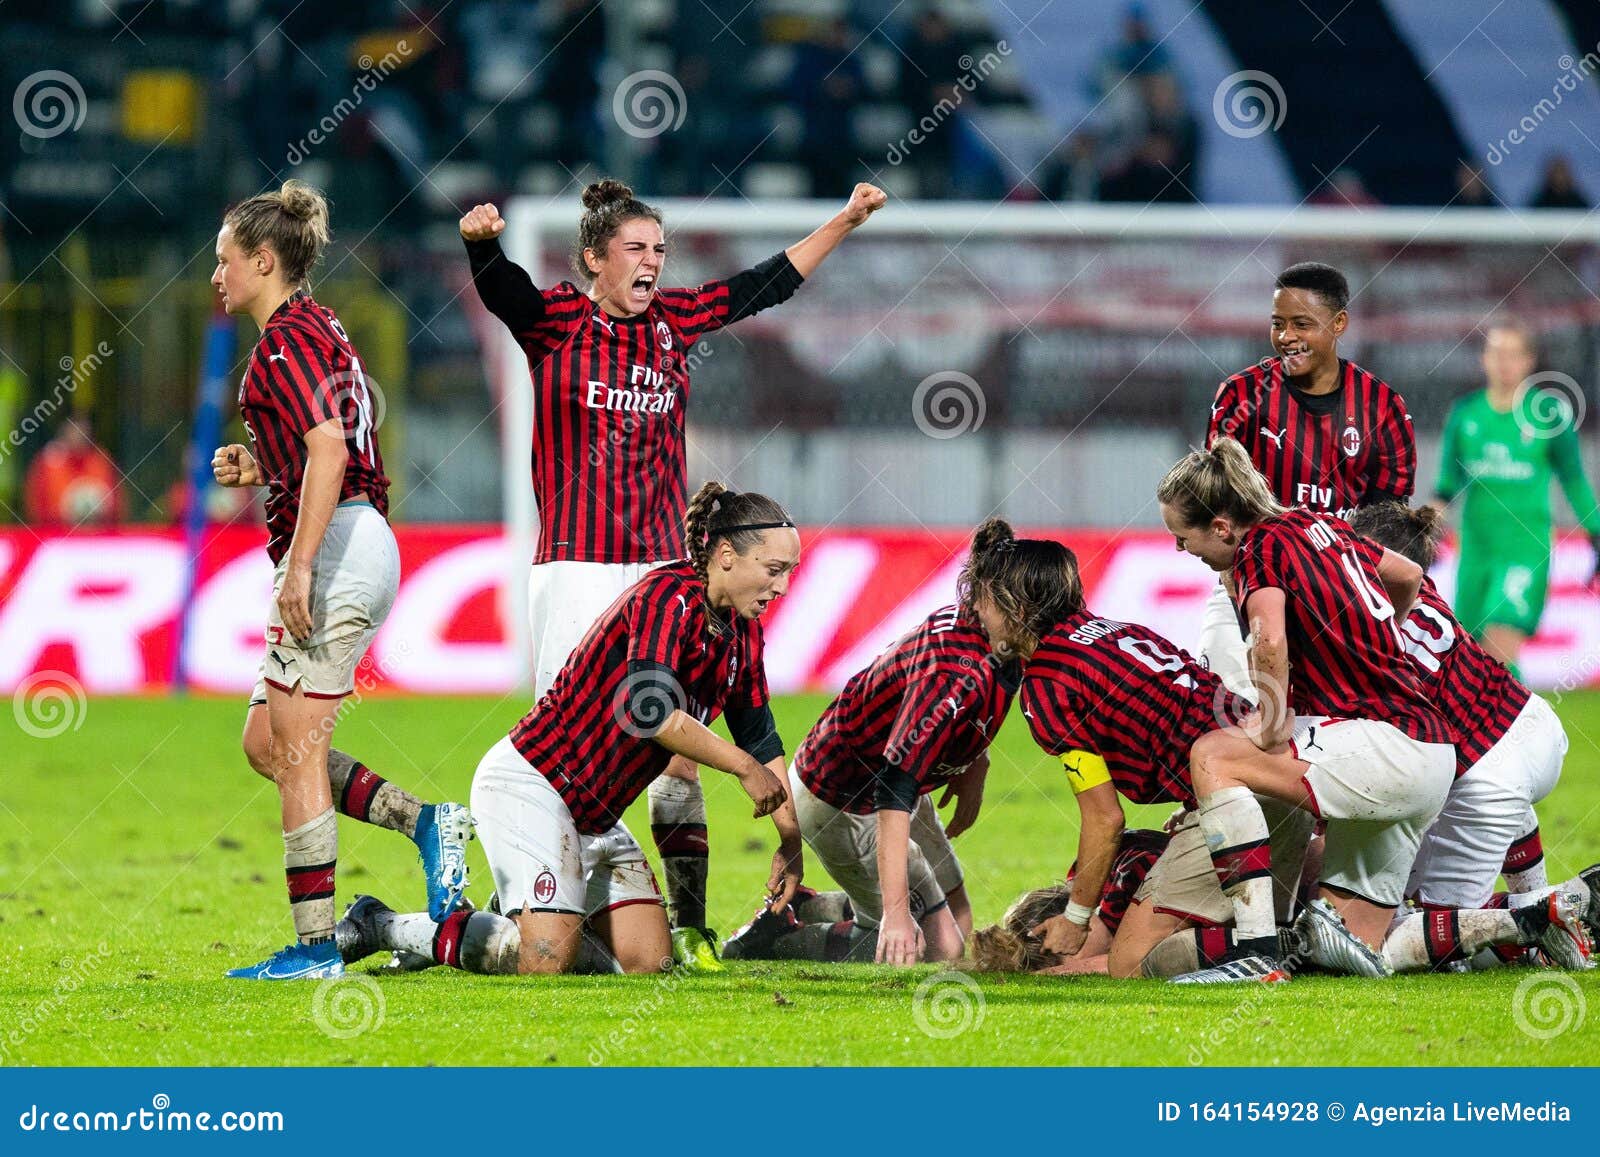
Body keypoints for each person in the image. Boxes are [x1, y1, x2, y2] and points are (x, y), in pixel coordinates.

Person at [461, 177, 885, 970]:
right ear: (594, 257)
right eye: (636, 249)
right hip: (577, 566)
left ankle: (686, 924)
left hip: (661, 564)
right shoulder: (556, 321)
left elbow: (766, 283)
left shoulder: (674, 323)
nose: (652, 262)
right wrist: (482, 245)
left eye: (660, 249)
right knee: (576, 750)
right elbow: (505, 293)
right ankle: (530, 893)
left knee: (675, 748)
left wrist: (845, 218)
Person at [336, 483, 805, 976]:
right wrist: (743, 769)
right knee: (547, 960)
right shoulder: (667, 599)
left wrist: (790, 841)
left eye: (788, 573)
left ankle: (492, 924)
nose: (781, 588)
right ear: (727, 556)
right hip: (534, 786)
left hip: (598, 819)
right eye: (774, 571)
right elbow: (649, 713)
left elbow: (760, 735)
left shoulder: (742, 633)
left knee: (650, 964)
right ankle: (382, 923)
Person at [210, 180, 472, 981]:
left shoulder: (281, 347)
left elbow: (328, 449)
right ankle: (426, 823)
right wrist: (264, 467)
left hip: (340, 547)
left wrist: (299, 563)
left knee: (296, 750)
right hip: (361, 535)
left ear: (263, 260)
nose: (215, 276)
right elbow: (330, 444)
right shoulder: (322, 326)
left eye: (224, 261)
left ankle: (316, 946)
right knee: (269, 740)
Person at [1156, 438, 1459, 979]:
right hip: (1433, 751)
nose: (1186, 552)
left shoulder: (1260, 551)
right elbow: (1409, 576)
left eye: (1185, 539)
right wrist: (1379, 639)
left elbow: (1268, 640)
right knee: (1346, 947)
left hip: (1384, 746)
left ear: (1222, 528)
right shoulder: (1318, 522)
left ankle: (1253, 952)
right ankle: (1524, 919)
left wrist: (1272, 727)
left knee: (1214, 756)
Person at [982, 524, 1312, 982]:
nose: (977, 610)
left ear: (1013, 606)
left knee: (1131, 962)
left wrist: (1077, 919)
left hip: (1234, 801)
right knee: (1231, 912)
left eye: (983, 598)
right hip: (1281, 782)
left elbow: (1105, 819)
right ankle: (1282, 932)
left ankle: (1292, 944)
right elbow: (1188, 719)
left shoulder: (1048, 683)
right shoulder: (1118, 631)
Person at [724, 523, 1020, 967]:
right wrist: (897, 916)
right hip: (845, 799)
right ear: (991, 599)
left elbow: (969, 711)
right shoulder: (948, 666)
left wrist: (973, 767)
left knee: (957, 916)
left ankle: (805, 906)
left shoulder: (995, 637)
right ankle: (778, 940)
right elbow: (892, 788)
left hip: (891, 783)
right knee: (935, 948)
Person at [1349, 502, 1600, 948]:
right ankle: (1541, 901)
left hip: (1488, 776)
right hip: (1534, 723)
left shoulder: (1365, 629)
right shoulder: (1421, 589)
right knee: (1403, 891)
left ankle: (1559, 909)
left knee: (1407, 940)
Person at [1200, 261, 1415, 696]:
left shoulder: (1382, 408)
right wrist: (1237, 588)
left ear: (1339, 324)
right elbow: (1218, 508)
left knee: (1333, 732)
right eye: (1277, 324)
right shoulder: (1241, 398)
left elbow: (1388, 527)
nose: (1286, 337)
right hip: (1254, 587)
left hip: (1339, 600)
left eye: (1302, 324)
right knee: (1222, 713)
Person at [1432, 317, 1600, 675]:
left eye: (1512, 354)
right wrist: (1422, 527)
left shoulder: (1550, 414)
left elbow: (1573, 479)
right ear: (1484, 359)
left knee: (1497, 649)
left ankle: (1525, 727)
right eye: (1495, 353)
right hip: (1476, 550)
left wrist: (1596, 531)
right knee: (1472, 659)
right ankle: (1509, 723)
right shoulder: (1466, 414)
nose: (1503, 362)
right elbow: (1446, 485)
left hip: (1525, 549)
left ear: (1529, 361)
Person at [23, 416, 122, 527]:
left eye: (83, 432)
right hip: (55, 534)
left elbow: (117, 501)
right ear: (64, 433)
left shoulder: (101, 461)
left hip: (96, 535)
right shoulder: (48, 462)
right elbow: (35, 504)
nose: (79, 436)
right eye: (74, 432)